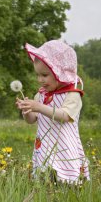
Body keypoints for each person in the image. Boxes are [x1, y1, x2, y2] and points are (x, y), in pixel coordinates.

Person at [16, 40, 89, 184]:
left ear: (60, 73)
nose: (40, 80)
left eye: (44, 75)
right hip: (45, 148)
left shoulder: (72, 95)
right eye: (38, 75)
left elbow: (65, 116)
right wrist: (27, 111)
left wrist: (39, 107)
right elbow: (32, 119)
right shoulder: (42, 95)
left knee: (68, 181)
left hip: (64, 146)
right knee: (45, 180)